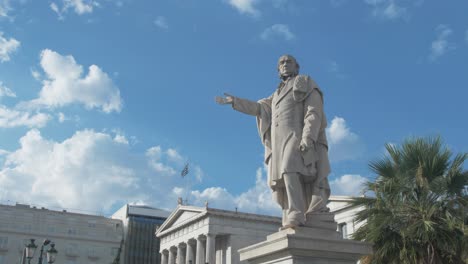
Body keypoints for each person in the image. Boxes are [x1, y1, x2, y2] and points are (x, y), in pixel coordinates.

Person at [215, 55, 331, 228]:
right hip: (279, 142)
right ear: (278, 70)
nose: (285, 64)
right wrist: (236, 102)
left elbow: (313, 112)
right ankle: (292, 213)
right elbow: (259, 108)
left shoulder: (305, 82)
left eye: (288, 61)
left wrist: (308, 136)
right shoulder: (276, 94)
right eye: (281, 63)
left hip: (296, 135)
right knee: (284, 176)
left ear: (296, 67)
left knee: (289, 168)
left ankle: (296, 214)